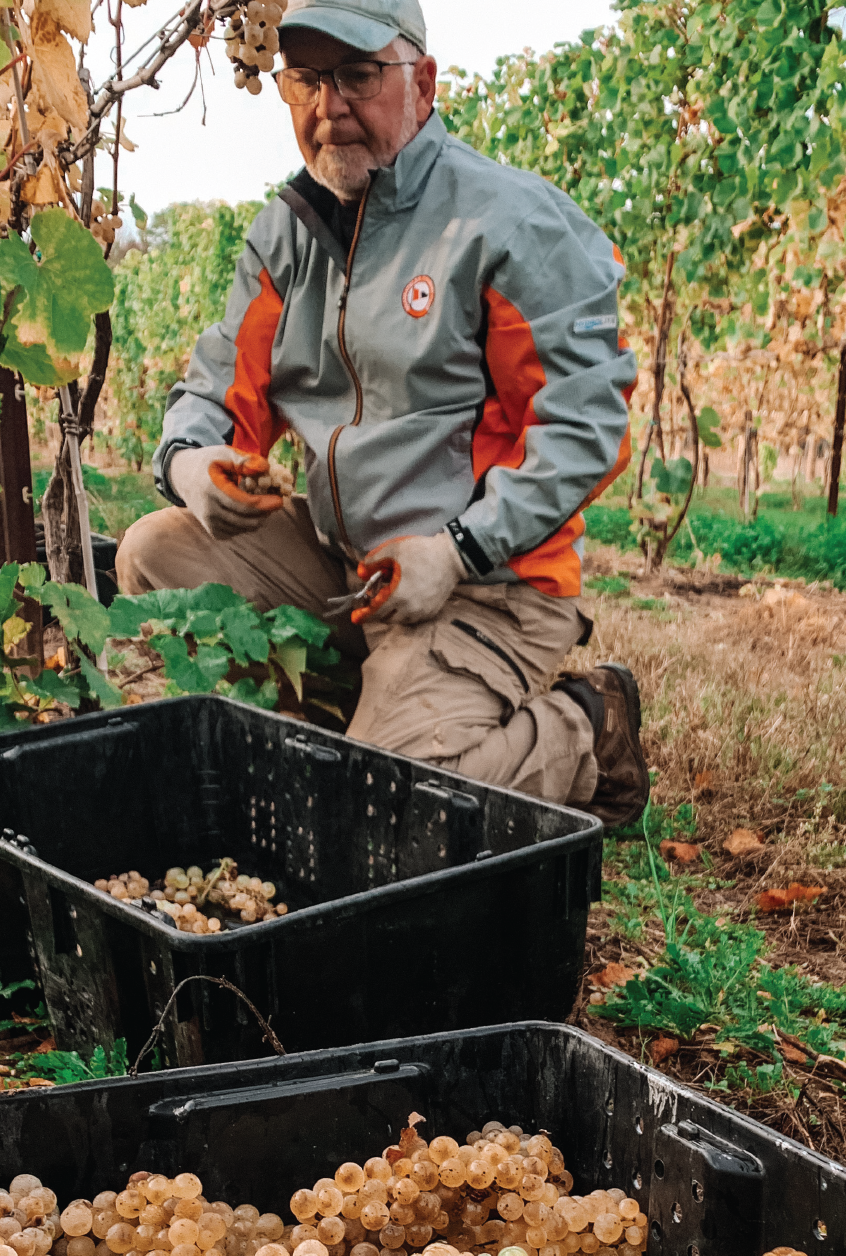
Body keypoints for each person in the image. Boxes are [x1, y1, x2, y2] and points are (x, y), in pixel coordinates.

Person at [115, 0, 648, 826]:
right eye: (305, 79)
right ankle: (353, 719)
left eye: (358, 75)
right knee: (153, 554)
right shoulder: (287, 235)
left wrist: (460, 551)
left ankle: (586, 724)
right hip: (352, 572)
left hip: (492, 584)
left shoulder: (512, 225)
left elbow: (587, 425)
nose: (328, 107)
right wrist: (194, 466)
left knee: (378, 809)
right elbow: (216, 392)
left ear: (422, 82)